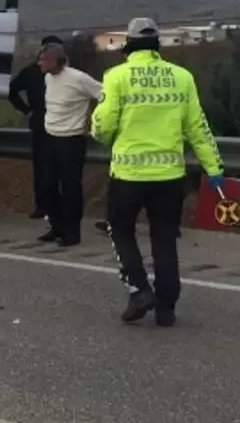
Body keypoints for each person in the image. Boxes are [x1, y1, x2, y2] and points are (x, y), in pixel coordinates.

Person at [90, 17, 224, 327]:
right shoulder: (182, 77)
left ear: (129, 43)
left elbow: (103, 125)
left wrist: (100, 131)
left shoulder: (116, 76)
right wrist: (214, 168)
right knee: (164, 238)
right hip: (169, 176)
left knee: (120, 230)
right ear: (157, 44)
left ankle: (139, 290)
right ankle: (167, 306)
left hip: (128, 175)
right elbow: (197, 128)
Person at [35, 42, 103, 247]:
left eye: (44, 59)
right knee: (47, 186)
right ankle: (56, 226)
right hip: (50, 138)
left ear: (57, 61)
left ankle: (72, 232)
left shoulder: (78, 78)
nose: (39, 63)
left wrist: (94, 120)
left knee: (70, 187)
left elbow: (104, 95)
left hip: (71, 140)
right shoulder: (48, 78)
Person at [8, 35, 64, 219]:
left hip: (58, 121)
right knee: (43, 166)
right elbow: (12, 90)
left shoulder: (65, 74)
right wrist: (27, 110)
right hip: (42, 121)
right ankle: (43, 205)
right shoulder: (32, 72)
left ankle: (52, 206)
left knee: (54, 166)